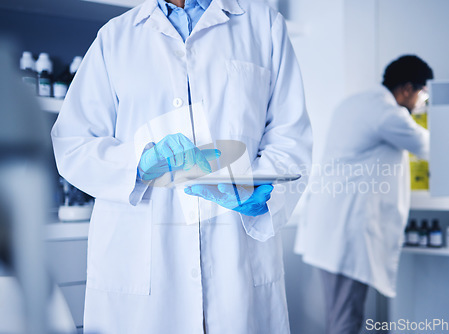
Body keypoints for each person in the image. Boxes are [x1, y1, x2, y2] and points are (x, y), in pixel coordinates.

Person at [51, 0, 312, 333]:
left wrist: (262, 195)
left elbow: (292, 138)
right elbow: (73, 141)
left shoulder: (265, 26)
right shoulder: (115, 37)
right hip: (142, 269)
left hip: (237, 258)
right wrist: (137, 165)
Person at [295, 55, 433, 334]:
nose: (422, 102)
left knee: (340, 315)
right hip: (346, 229)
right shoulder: (387, 113)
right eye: (423, 93)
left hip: (330, 225)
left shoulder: (356, 102)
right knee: (346, 318)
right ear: (407, 88)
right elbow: (430, 145)